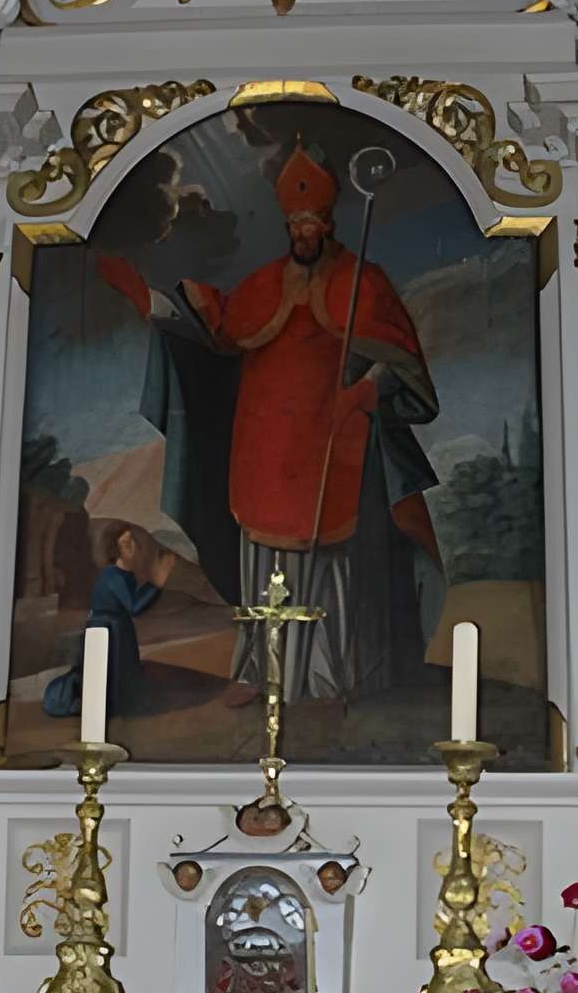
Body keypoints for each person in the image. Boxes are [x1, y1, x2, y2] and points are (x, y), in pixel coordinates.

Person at [98, 143, 441, 707]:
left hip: (334, 446)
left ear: (328, 224)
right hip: (264, 451)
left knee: (332, 561)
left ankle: (331, 675)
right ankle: (260, 671)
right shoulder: (264, 284)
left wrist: (361, 391)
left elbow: (401, 362)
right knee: (266, 565)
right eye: (296, 224)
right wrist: (153, 303)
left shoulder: (363, 282)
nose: (304, 233)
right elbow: (217, 331)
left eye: (313, 224)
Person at [43, 524, 175, 720]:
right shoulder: (113, 576)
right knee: (111, 676)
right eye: (125, 543)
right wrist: (157, 583)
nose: (131, 546)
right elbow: (135, 606)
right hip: (107, 631)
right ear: (115, 549)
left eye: (132, 542)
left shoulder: (125, 575)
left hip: (118, 629)